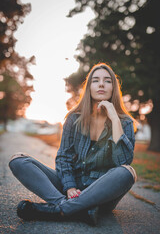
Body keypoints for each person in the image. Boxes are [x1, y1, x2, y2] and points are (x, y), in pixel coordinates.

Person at [9, 63, 137, 226]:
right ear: (89, 87)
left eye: (107, 81)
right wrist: (69, 187)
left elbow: (122, 161)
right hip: (72, 189)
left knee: (127, 172)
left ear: (113, 88)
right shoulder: (73, 118)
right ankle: (71, 208)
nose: (102, 84)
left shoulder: (124, 123)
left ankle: (60, 209)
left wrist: (114, 118)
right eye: (96, 80)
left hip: (101, 195)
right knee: (18, 160)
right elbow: (63, 157)